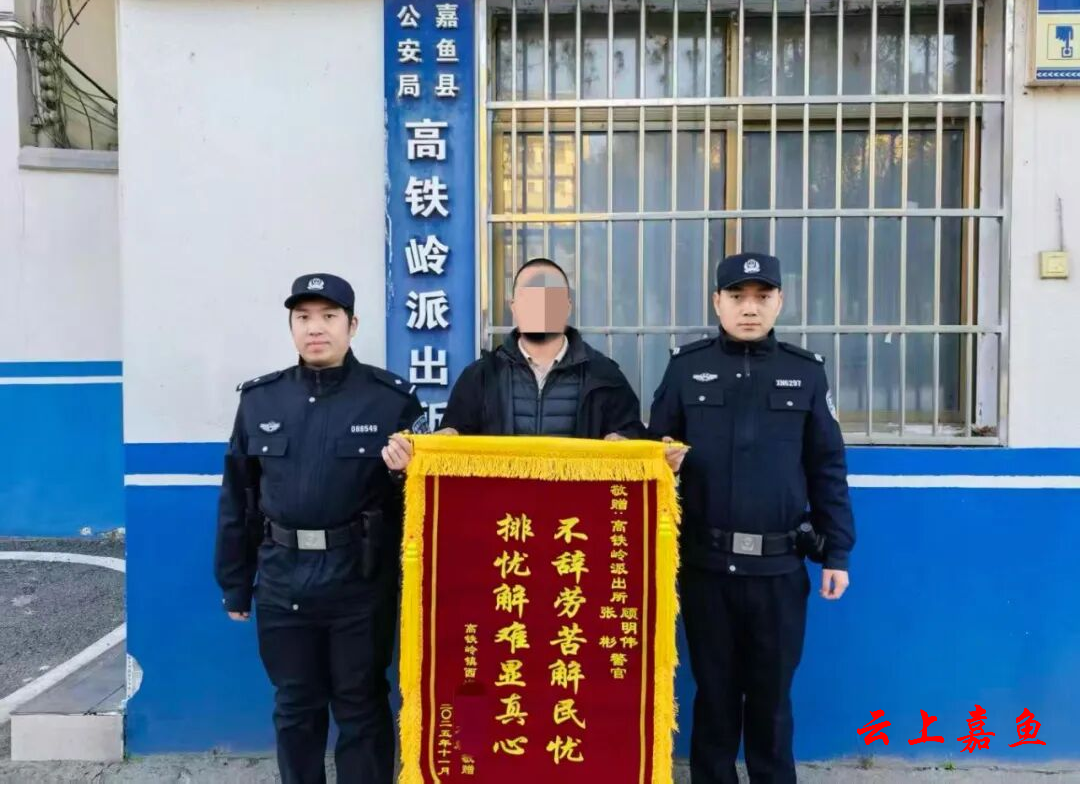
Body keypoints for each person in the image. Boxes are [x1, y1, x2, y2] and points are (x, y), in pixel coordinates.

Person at [647, 252, 856, 784]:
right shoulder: (685, 368)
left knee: (771, 699)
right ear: (717, 302)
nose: (749, 308)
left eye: (762, 297)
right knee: (713, 697)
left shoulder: (804, 373)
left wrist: (837, 552)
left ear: (779, 302)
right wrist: (663, 458)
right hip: (706, 568)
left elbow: (827, 467)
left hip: (779, 571)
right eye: (737, 297)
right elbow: (651, 455)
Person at [214, 272, 424, 784]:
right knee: (295, 704)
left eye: (329, 316)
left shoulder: (390, 400)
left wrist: (404, 473)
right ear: (291, 326)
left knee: (362, 703)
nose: (316, 328)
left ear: (352, 325)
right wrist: (236, 583)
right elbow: (239, 497)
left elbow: (414, 506)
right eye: (303, 317)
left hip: (359, 579)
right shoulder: (260, 400)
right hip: (282, 577)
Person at [384, 257, 680, 472]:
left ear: (567, 306)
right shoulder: (481, 376)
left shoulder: (604, 376)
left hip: (577, 525)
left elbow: (633, 442)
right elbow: (451, 447)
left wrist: (629, 444)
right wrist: (435, 444)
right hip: (503, 524)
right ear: (513, 308)